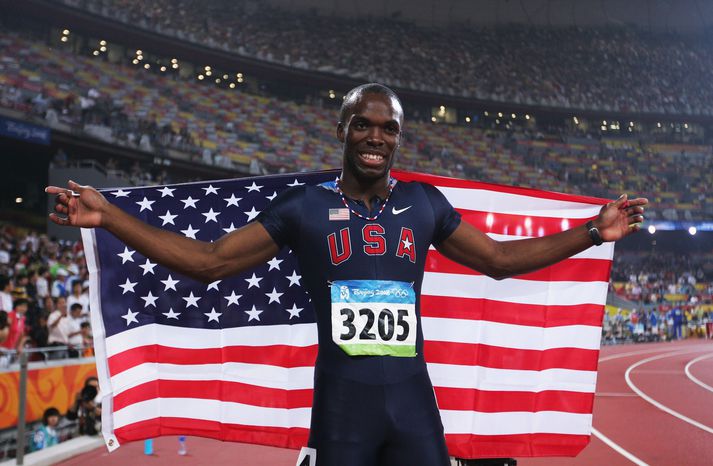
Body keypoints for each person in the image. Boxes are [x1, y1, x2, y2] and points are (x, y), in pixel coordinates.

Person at [46, 83, 647, 466]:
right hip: (342, 404)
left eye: (388, 129)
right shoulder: (304, 209)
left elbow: (499, 261)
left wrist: (595, 232)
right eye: (364, 124)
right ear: (343, 130)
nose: (376, 137)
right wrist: (108, 219)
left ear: (399, 139)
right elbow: (208, 263)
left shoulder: (423, 203)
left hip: (412, 397)